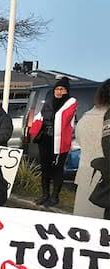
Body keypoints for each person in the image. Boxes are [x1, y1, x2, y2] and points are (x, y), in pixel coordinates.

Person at [29, 77, 78, 207]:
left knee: (57, 169)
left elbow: (62, 116)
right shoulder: (49, 102)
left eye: (61, 89)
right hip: (45, 139)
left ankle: (55, 196)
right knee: (45, 168)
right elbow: (40, 117)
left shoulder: (71, 102)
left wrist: (49, 114)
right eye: (56, 89)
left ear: (67, 91)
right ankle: (45, 195)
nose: (58, 91)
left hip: (60, 140)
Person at [74, 79, 110, 219]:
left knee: (82, 227)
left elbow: (79, 140)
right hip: (104, 182)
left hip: (85, 173)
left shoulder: (87, 116)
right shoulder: (105, 117)